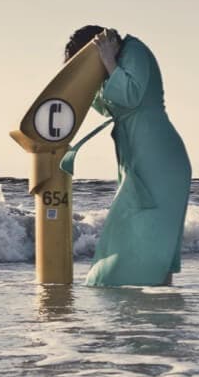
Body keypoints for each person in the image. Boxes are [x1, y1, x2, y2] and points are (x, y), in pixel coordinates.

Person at [64, 26, 191, 287]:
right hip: (137, 156)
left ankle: (147, 305)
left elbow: (130, 96)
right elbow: (105, 105)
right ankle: (159, 304)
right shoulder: (117, 64)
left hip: (159, 156)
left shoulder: (135, 51)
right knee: (144, 232)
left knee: (149, 231)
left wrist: (108, 61)